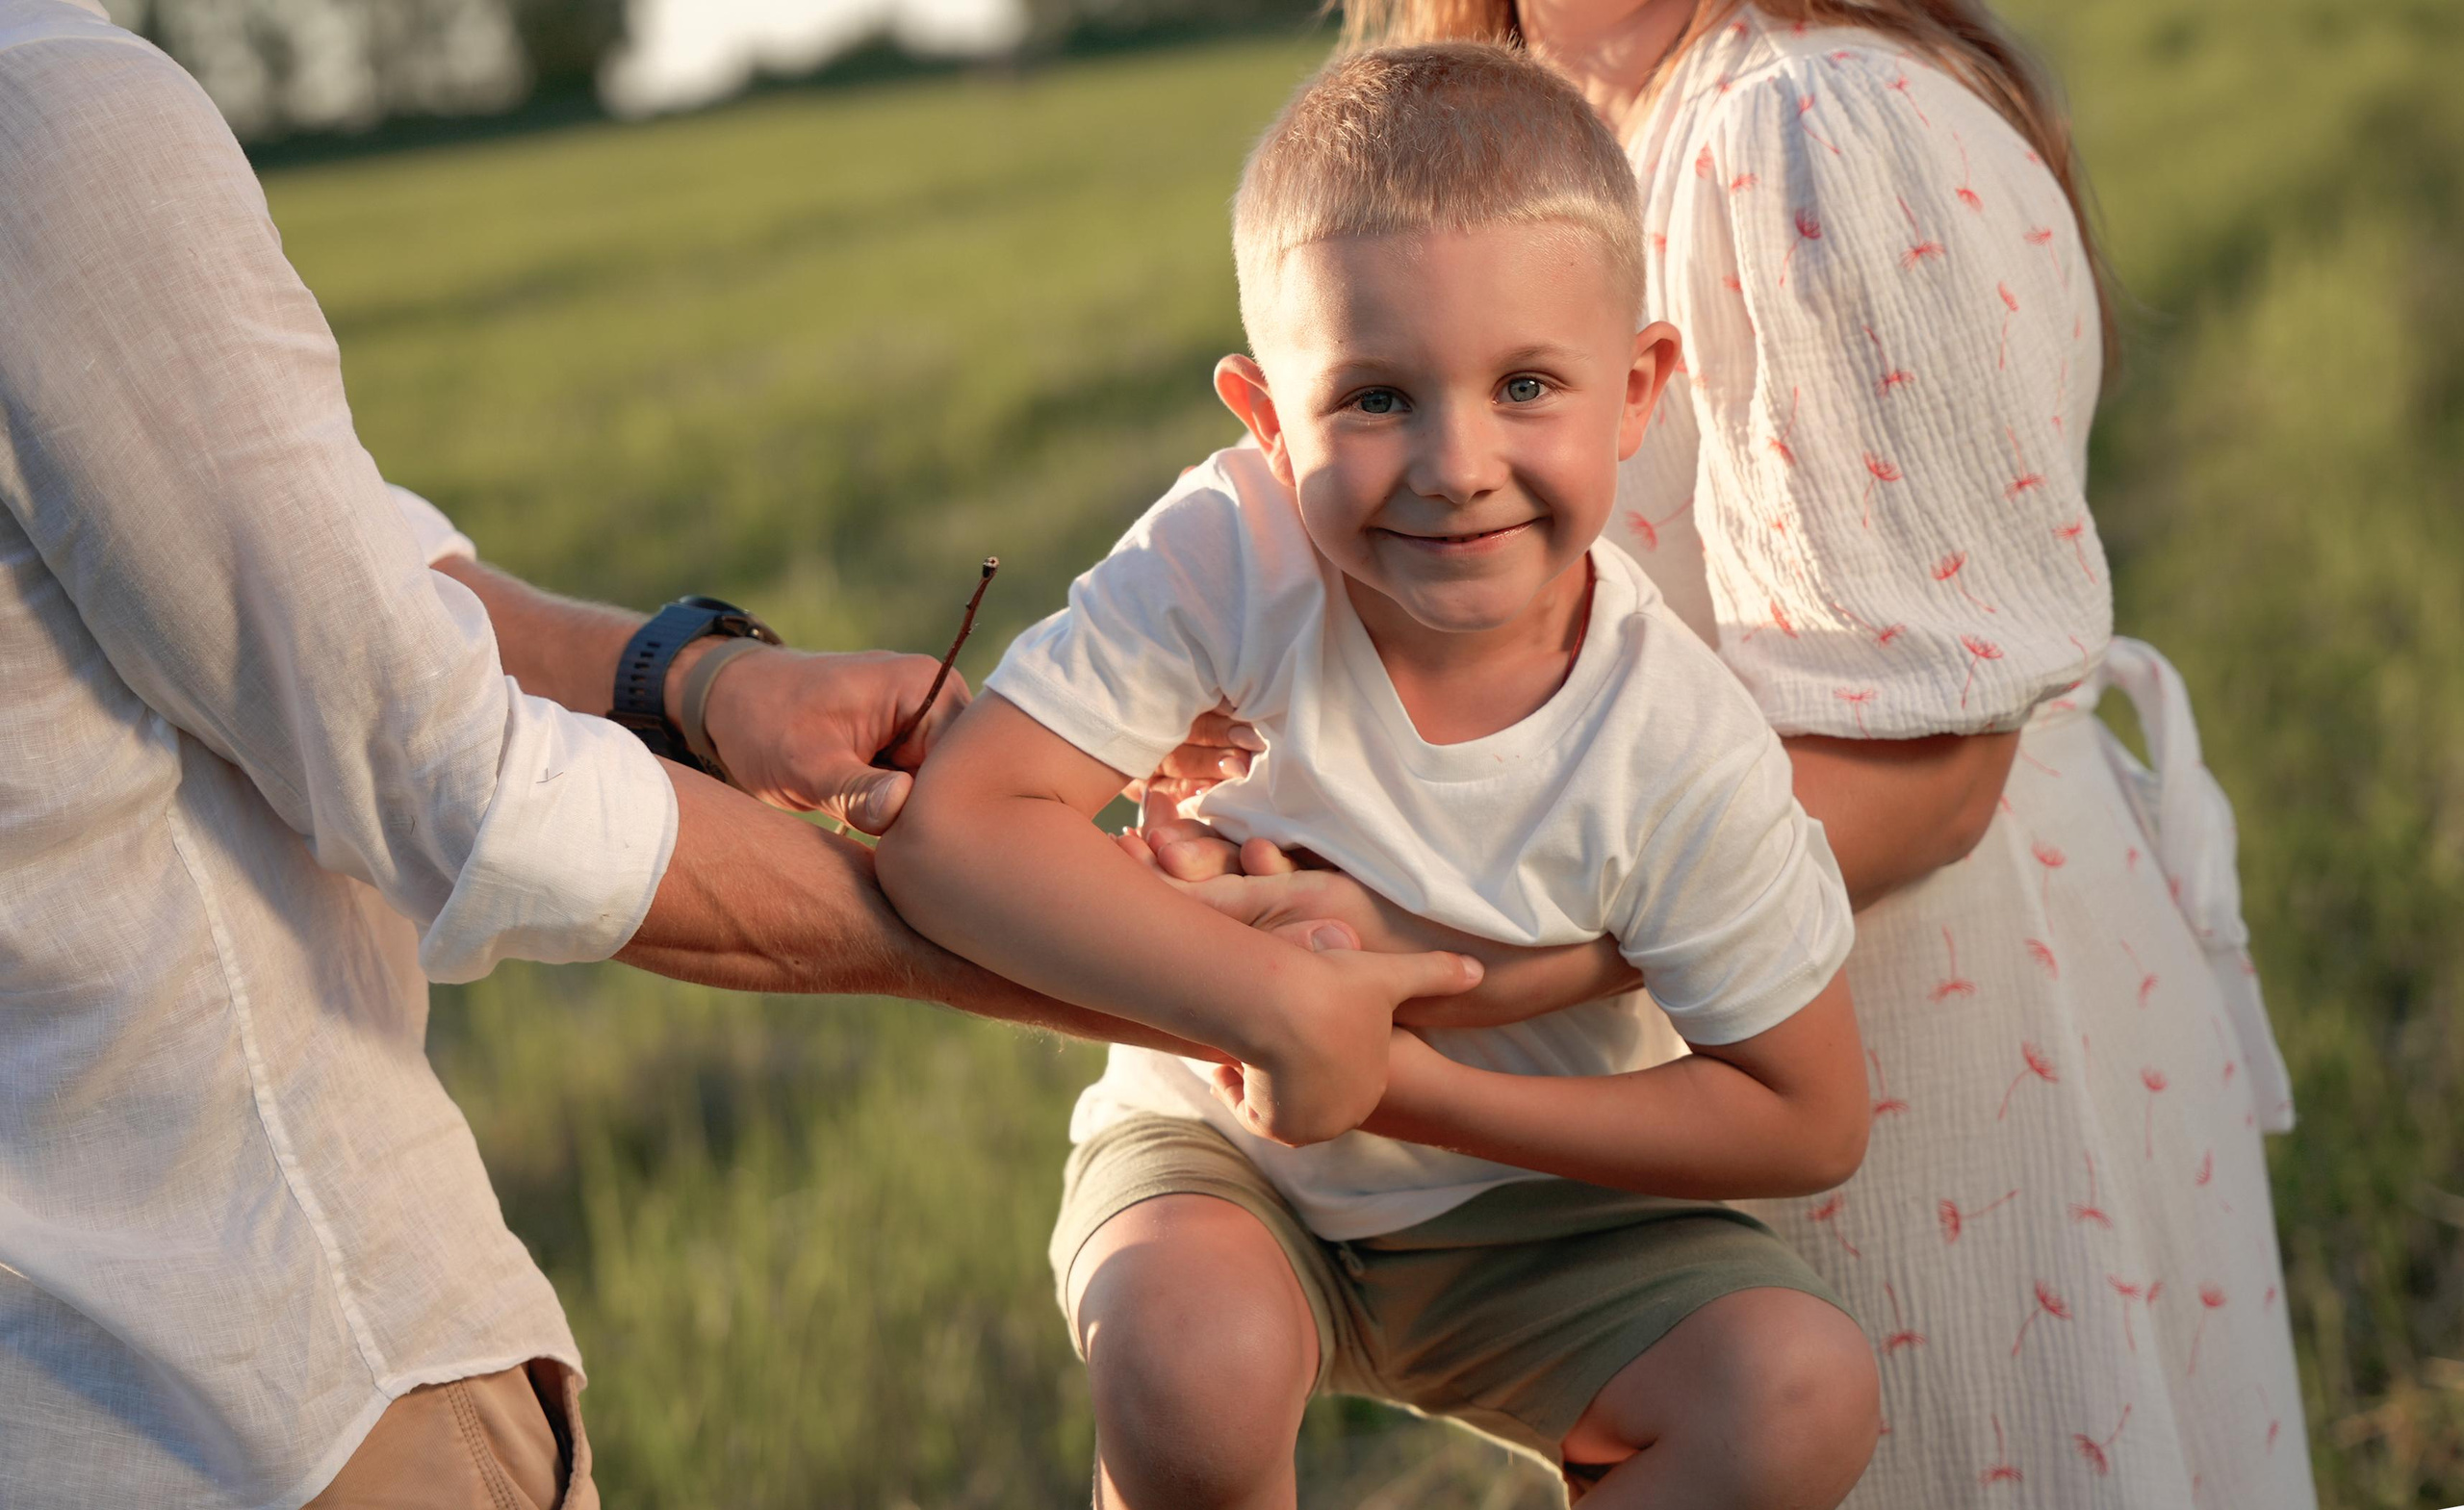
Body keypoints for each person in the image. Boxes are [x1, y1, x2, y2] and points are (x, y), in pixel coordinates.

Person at [0, 4, 1451, 1506]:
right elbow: (451, 778)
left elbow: (334, 581)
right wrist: (1097, 933)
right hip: (242, 1405)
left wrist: (689, 678)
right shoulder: (47, 116)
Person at [1154, 2, 2316, 1505]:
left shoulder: (1801, 122)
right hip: (1696, 1055)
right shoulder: (1526, 128)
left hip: (1927, 1039)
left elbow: (1934, 773)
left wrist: (1416, 962)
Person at [878, 44, 1883, 1509]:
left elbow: (1805, 1113)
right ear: (1266, 417)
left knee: (1801, 1389)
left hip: (1542, 1213)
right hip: (1222, 1159)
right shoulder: (1231, 553)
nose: (1456, 463)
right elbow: (957, 828)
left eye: (1527, 382)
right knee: (1188, 1369)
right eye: (1374, 399)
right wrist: (1263, 1007)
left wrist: (1399, 1083)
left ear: (1637, 389)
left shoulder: (1672, 739)